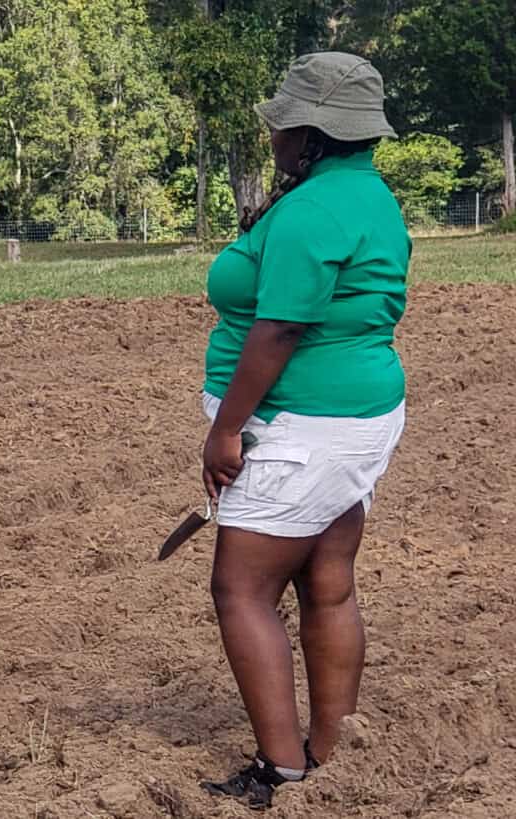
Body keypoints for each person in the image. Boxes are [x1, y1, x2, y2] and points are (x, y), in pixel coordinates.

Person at [196, 52, 408, 810]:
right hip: (357, 416)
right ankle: (331, 749)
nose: (275, 136)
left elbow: (279, 329)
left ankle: (280, 770)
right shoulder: (368, 194)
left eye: (284, 124)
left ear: (314, 134)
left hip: (299, 424)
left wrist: (226, 431)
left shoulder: (314, 211)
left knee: (241, 587)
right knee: (326, 578)